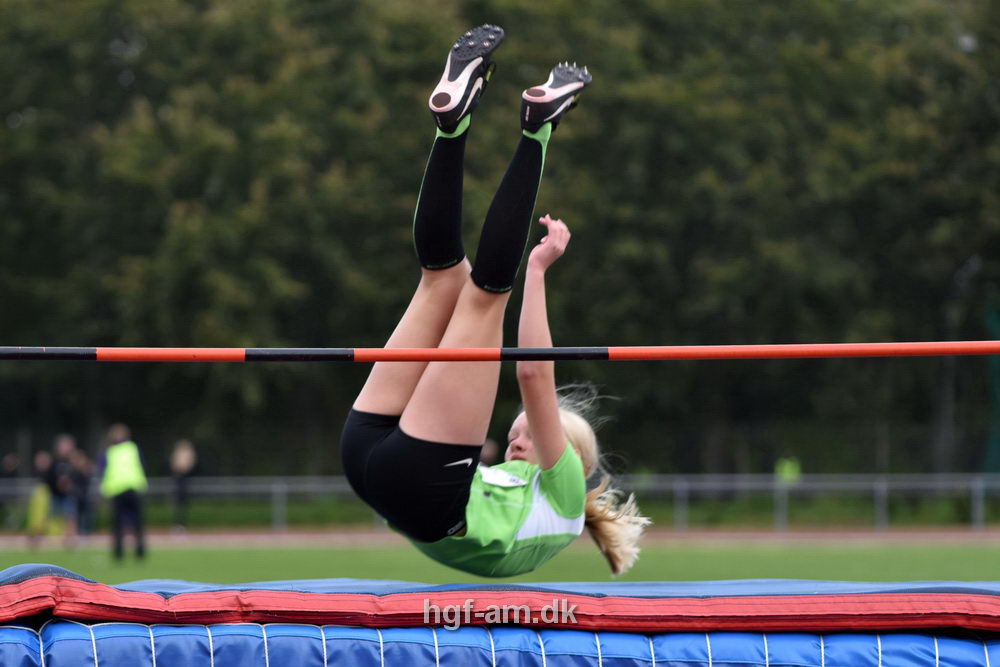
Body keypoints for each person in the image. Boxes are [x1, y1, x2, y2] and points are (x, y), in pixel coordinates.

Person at [340, 25, 649, 578]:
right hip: (376, 465)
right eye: (529, 431)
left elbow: (531, 376)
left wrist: (537, 271)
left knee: (482, 298)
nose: (516, 437)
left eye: (520, 434)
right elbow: (533, 375)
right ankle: (453, 126)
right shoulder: (562, 490)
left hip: (410, 484)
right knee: (445, 280)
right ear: (572, 459)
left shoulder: (544, 501)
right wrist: (535, 272)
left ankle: (538, 128)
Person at [98, 424, 148, 560]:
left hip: (118, 489)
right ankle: (139, 551)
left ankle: (119, 553)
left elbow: (103, 470)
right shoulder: (133, 448)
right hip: (132, 487)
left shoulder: (109, 451)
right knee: (136, 522)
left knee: (118, 524)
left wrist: (105, 489)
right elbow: (142, 465)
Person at [170, 439, 197, 530]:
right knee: (178, 503)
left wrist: (184, 469)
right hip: (178, 480)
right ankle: (178, 523)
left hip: (185, 479)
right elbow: (174, 465)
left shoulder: (188, 454)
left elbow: (189, 465)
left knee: (183, 503)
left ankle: (182, 523)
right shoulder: (178, 454)